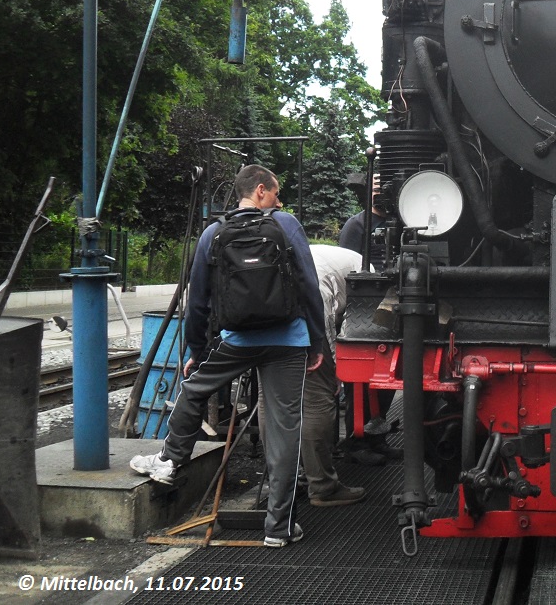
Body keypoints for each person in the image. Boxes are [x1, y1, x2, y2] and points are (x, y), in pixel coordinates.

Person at [130, 164, 326, 548]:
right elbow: (308, 284)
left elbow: (198, 300)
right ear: (259, 190)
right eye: (274, 192)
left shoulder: (212, 233)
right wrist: (317, 342)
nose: (278, 199)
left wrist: (198, 353)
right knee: (286, 428)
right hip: (288, 340)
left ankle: (170, 461)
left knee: (192, 389)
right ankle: (279, 528)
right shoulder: (285, 224)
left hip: (237, 340)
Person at [303, 244, 366, 506]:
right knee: (319, 399)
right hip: (310, 316)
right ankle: (322, 486)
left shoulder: (341, 262)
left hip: (270, 322)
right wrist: (337, 369)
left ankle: (286, 477)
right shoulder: (364, 273)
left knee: (272, 401)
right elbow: (327, 321)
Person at [339, 172, 385, 271]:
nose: (381, 195)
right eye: (377, 190)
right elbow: (345, 265)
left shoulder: (403, 222)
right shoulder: (356, 225)